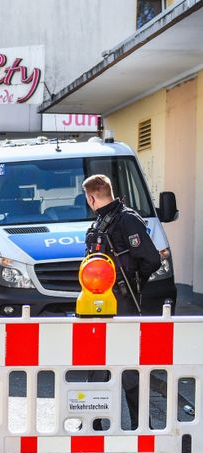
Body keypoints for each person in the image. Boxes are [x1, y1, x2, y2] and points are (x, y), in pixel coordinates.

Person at [83, 173, 162, 430]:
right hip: (100, 304)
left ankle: (140, 427)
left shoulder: (126, 220)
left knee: (128, 367)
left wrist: (132, 283)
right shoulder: (102, 222)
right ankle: (94, 425)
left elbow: (151, 259)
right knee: (98, 365)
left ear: (92, 197)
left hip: (123, 303)